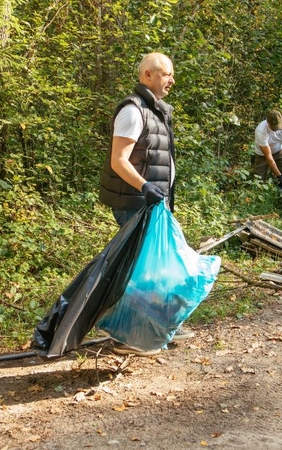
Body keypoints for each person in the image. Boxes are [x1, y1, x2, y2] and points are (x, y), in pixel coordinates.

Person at [99, 52, 192, 356]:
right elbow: (118, 160)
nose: (172, 80)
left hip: (153, 201)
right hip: (136, 201)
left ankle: (155, 329)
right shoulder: (133, 111)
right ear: (148, 75)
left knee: (156, 268)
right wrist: (145, 186)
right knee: (141, 271)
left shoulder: (156, 110)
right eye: (167, 74)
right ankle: (130, 339)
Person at [252, 110, 282, 187]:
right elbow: (269, 158)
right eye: (274, 127)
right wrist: (278, 176)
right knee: (259, 180)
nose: (276, 129)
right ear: (268, 122)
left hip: (278, 151)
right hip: (262, 155)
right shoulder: (261, 130)